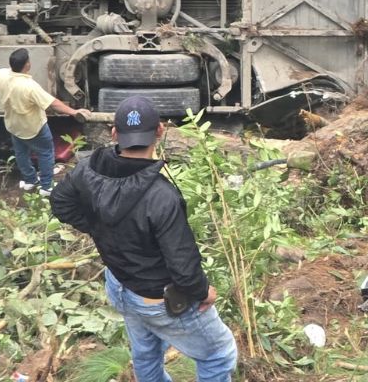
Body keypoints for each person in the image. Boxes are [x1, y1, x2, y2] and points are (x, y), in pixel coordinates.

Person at [50, 96, 238, 382]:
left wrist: (97, 228)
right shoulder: (162, 196)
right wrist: (203, 292)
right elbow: (184, 269)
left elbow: (60, 202)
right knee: (219, 355)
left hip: (120, 285)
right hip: (156, 298)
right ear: (160, 132)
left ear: (114, 133)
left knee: (146, 352)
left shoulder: (87, 169)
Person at [0, 49, 88, 196]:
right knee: (46, 153)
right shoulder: (29, 86)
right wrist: (74, 112)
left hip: (14, 125)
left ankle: (29, 181)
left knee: (21, 153)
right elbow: (53, 103)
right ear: (27, 65)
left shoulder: (1, 75)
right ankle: (46, 187)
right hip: (33, 127)